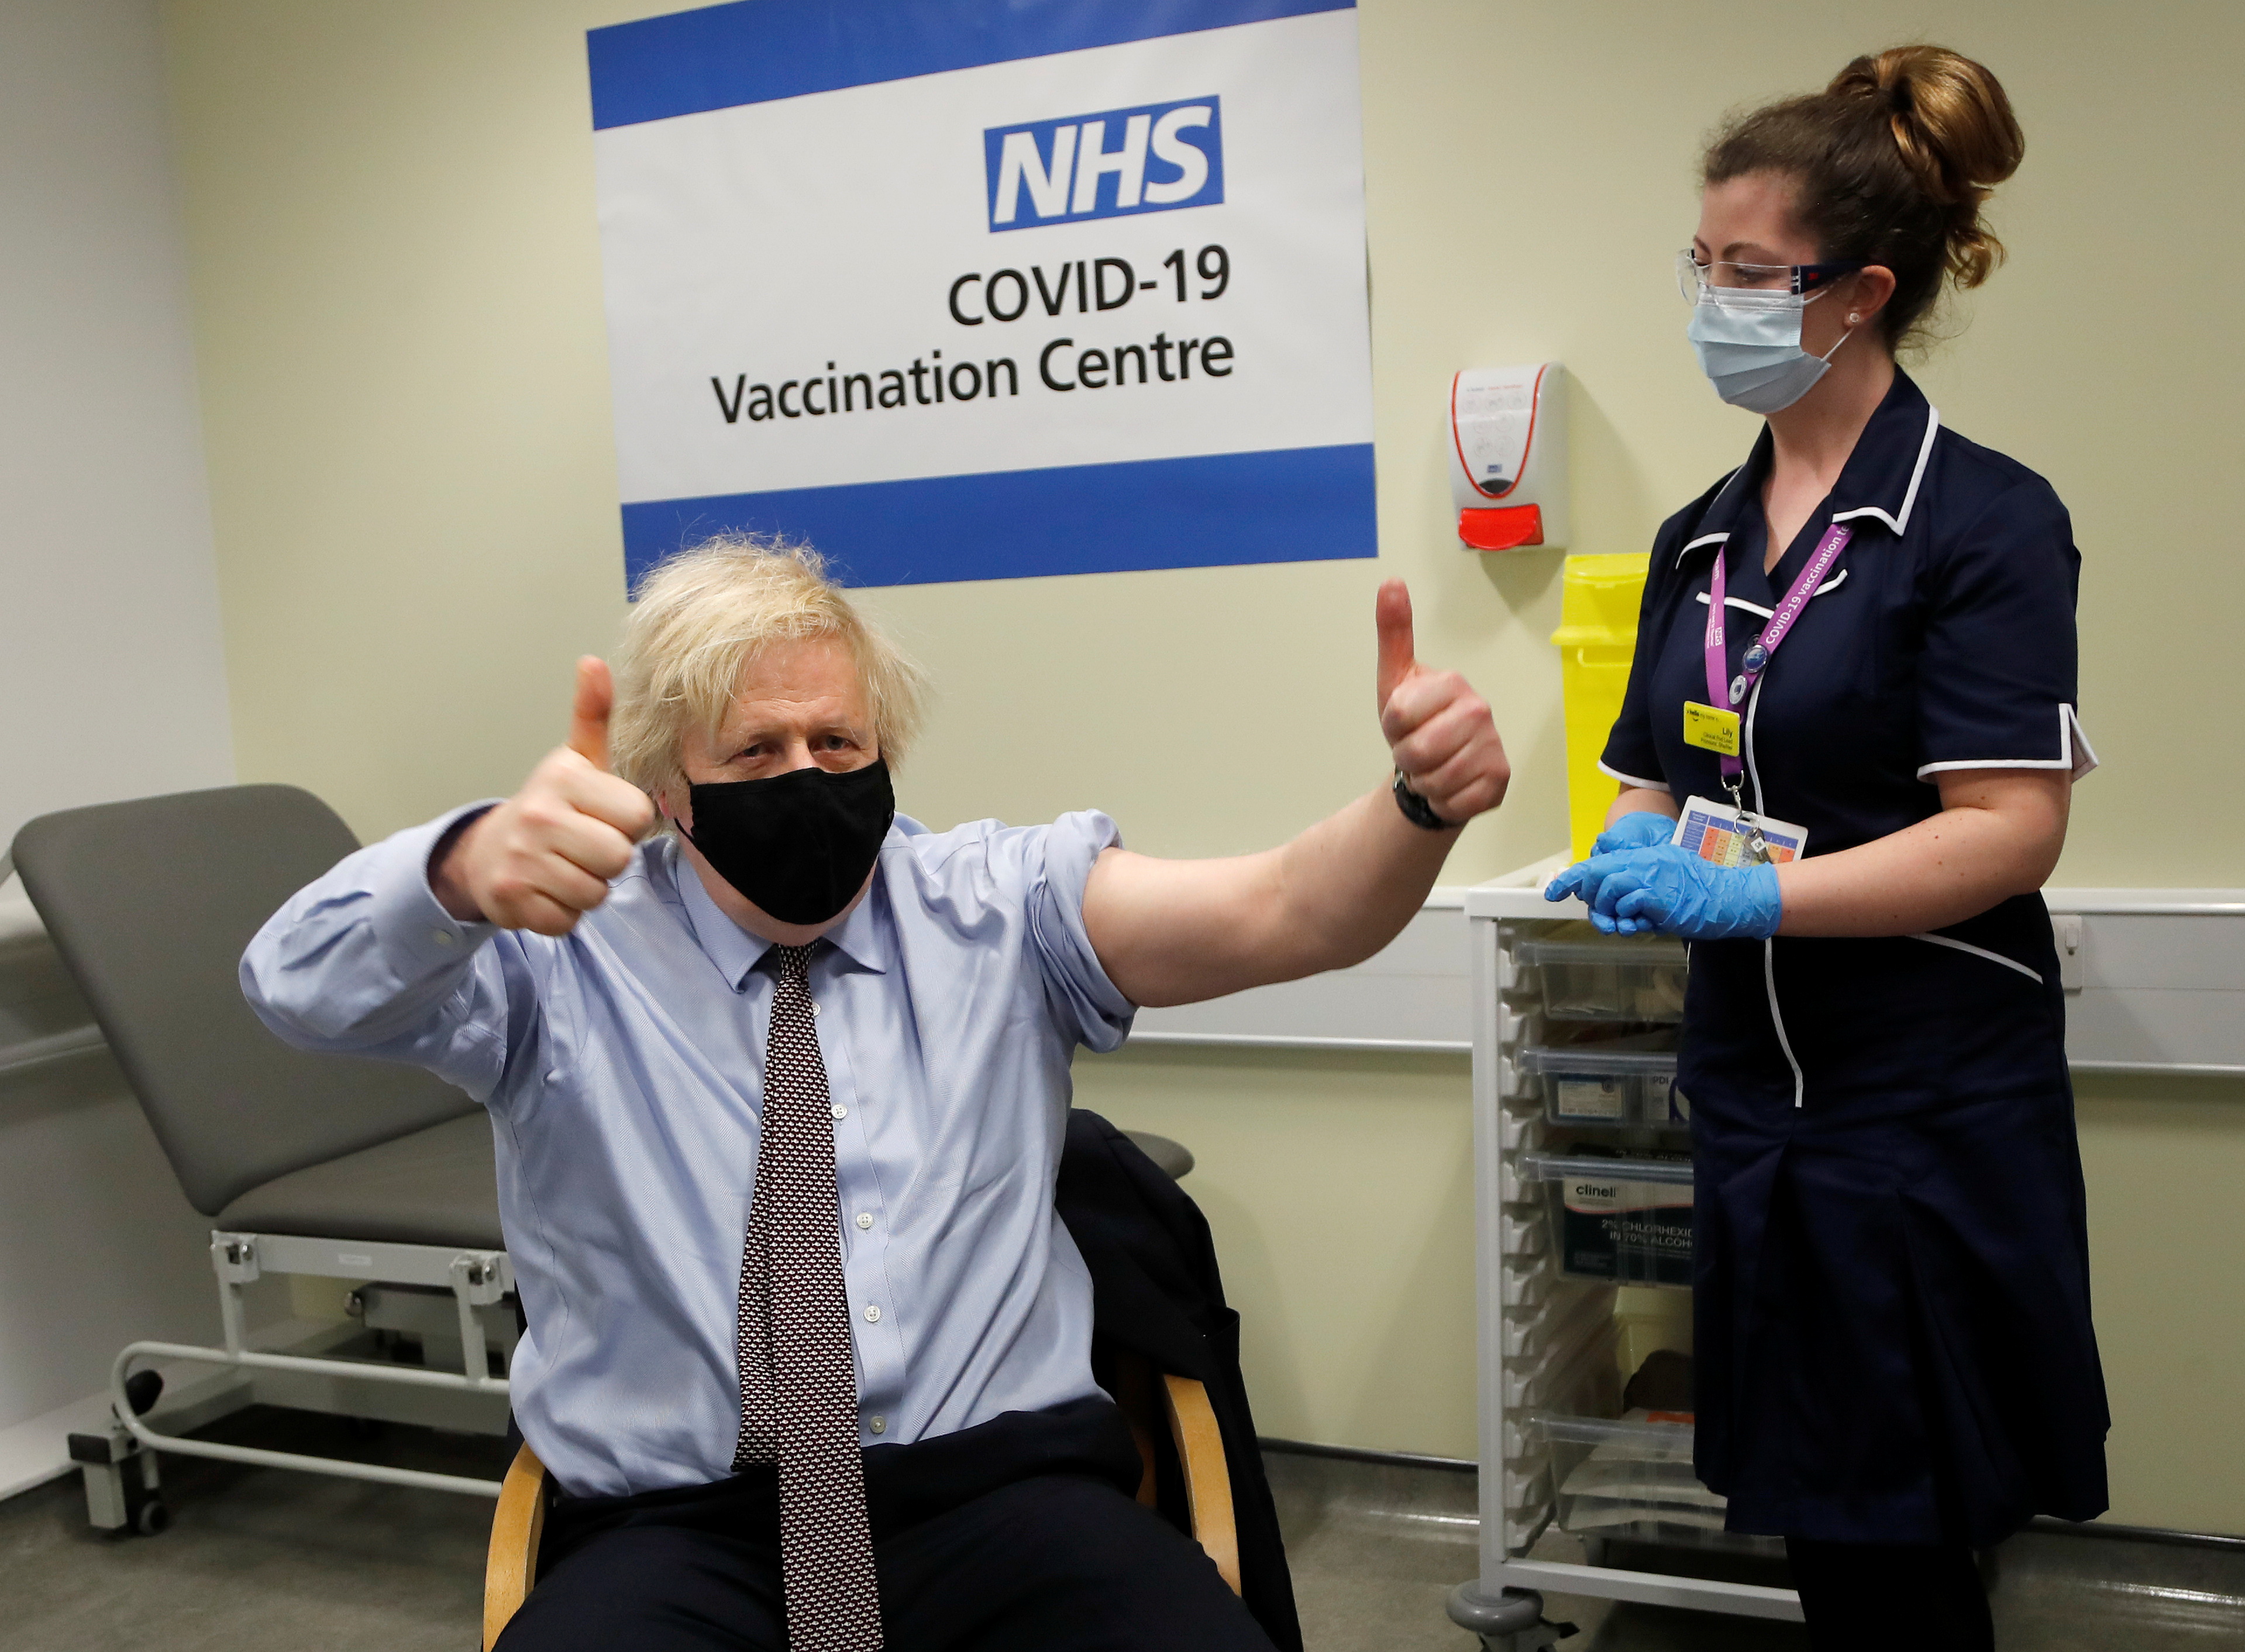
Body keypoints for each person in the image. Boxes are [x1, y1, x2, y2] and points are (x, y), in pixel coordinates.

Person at [240, 537, 1509, 1652]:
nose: (807, 773)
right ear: (668, 789)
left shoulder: (996, 908)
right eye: (757, 748)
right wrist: (457, 870)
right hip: (678, 1528)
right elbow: (290, 988)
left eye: (838, 741)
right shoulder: (561, 947)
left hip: (1002, 1501)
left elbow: (1289, 908)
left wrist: (1415, 806)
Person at [1544, 45, 2108, 1652]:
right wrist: (1621, 854)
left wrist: (1743, 891)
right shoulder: (1696, 538)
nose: (1706, 301)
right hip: (1753, 1102)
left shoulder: (1980, 523)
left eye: (1743, 274)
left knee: (1910, 1542)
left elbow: (2005, 834)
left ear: (1856, 291)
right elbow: (1646, 771)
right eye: (1698, 266)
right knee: (1813, 1517)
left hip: (1916, 1108)